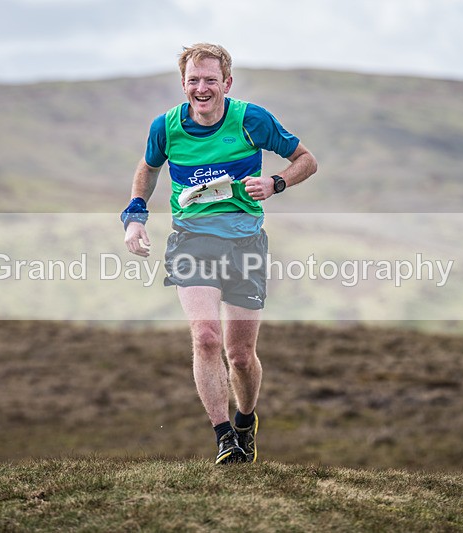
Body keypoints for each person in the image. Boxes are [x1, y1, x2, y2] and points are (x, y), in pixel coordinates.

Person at [121, 43, 318, 465]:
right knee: (206, 337)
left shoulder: (251, 120)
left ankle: (246, 421)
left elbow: (306, 160)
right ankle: (224, 436)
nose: (202, 88)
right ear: (183, 84)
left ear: (226, 83)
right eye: (194, 80)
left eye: (211, 80)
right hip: (191, 239)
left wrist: (276, 183)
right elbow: (148, 167)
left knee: (240, 356)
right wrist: (135, 216)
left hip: (245, 242)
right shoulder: (166, 126)